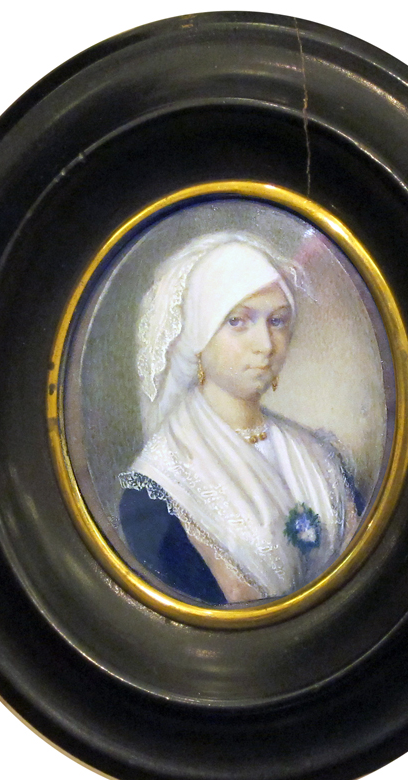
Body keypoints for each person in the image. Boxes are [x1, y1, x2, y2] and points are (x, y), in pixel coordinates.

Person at [119, 232, 362, 605]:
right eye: (238, 321)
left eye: (277, 321)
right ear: (200, 334)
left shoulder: (320, 456)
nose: (265, 345)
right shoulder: (158, 489)